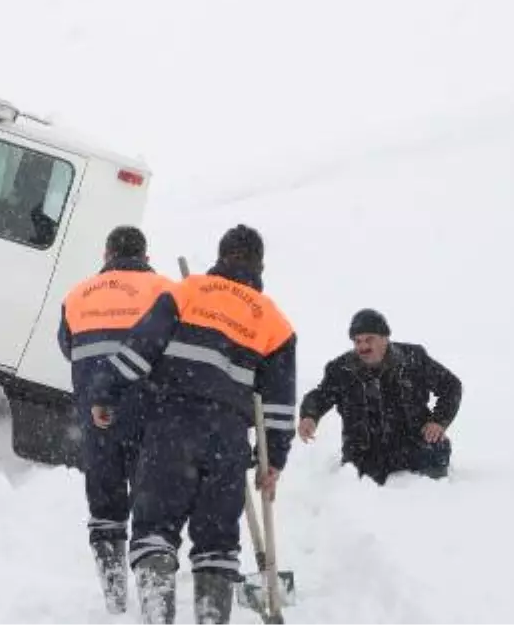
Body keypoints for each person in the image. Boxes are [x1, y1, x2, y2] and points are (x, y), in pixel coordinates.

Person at [114, 225, 297, 625]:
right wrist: (274, 460)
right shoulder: (275, 322)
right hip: (227, 441)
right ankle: (212, 616)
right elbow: (278, 407)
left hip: (171, 427)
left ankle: (157, 613)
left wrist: (105, 394)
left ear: (221, 256)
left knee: (155, 530)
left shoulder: (187, 291)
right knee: (217, 542)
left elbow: (138, 350)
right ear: (259, 266)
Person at [57, 225, 176, 615]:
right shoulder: (165, 291)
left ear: (107, 255)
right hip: (150, 410)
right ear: (145, 256)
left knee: (105, 505)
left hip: (98, 415)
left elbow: (68, 347)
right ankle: (154, 603)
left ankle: (114, 600)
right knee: (151, 504)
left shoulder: (77, 295)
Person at [297, 308, 462, 485]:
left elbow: (451, 385)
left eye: (369, 339)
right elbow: (321, 395)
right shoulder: (341, 369)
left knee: (436, 452)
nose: (363, 347)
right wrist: (309, 416)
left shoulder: (413, 359)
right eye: (358, 341)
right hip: (365, 454)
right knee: (358, 487)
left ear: (385, 338)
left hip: (413, 445)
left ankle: (434, 495)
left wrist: (439, 421)